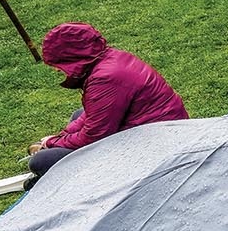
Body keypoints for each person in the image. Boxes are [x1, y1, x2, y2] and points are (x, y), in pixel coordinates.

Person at [24, 23, 188, 184]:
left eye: (58, 65)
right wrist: (60, 137)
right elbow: (92, 113)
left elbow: (94, 135)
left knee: (41, 162)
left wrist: (51, 143)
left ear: (70, 59)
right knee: (78, 115)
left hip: (158, 145)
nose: (57, 70)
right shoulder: (110, 58)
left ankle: (85, 181)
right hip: (156, 128)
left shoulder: (105, 78)